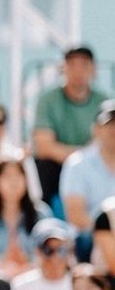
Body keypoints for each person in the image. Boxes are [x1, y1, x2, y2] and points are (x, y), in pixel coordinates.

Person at [33, 46, 109, 207]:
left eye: (84, 65)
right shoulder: (48, 100)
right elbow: (44, 146)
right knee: (43, 168)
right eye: (72, 65)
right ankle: (43, 214)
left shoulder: (104, 101)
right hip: (57, 166)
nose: (78, 71)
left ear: (93, 69)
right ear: (64, 69)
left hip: (93, 165)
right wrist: (78, 159)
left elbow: (107, 141)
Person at [0, 160, 50, 278]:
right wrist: (2, 264)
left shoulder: (41, 214)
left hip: (34, 278)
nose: (13, 182)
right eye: (7, 176)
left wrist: (28, 263)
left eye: (18, 175)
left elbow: (53, 249)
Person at [60, 99, 115, 254]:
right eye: (109, 124)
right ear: (96, 129)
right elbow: (76, 216)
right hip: (89, 239)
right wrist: (108, 233)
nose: (113, 130)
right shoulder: (77, 164)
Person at [11, 218, 76, 290]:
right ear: (36, 251)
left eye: (61, 250)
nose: (55, 257)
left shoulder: (80, 285)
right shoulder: (21, 285)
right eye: (48, 250)